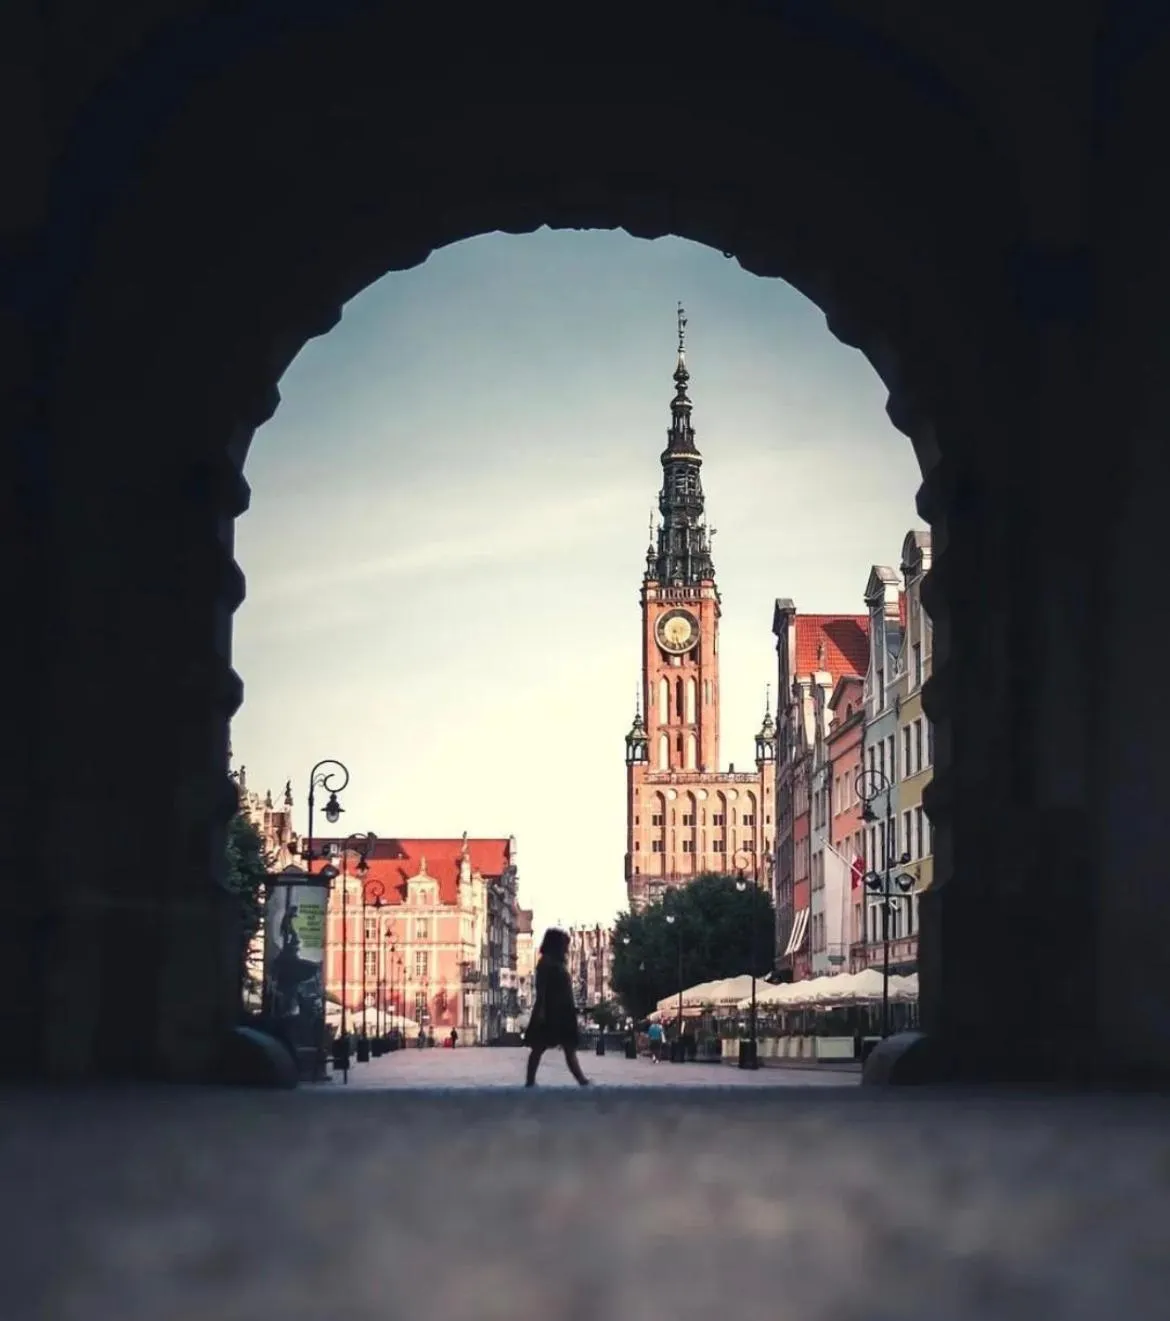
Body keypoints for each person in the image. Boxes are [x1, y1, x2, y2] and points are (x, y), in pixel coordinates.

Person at [523, 928, 590, 1087]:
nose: (567, 948)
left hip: (563, 1010)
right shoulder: (546, 963)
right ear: (557, 945)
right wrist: (541, 1010)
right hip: (552, 1009)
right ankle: (530, 1080)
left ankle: (581, 1079)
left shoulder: (556, 963)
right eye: (565, 944)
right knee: (540, 1046)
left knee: (566, 1047)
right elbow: (542, 989)